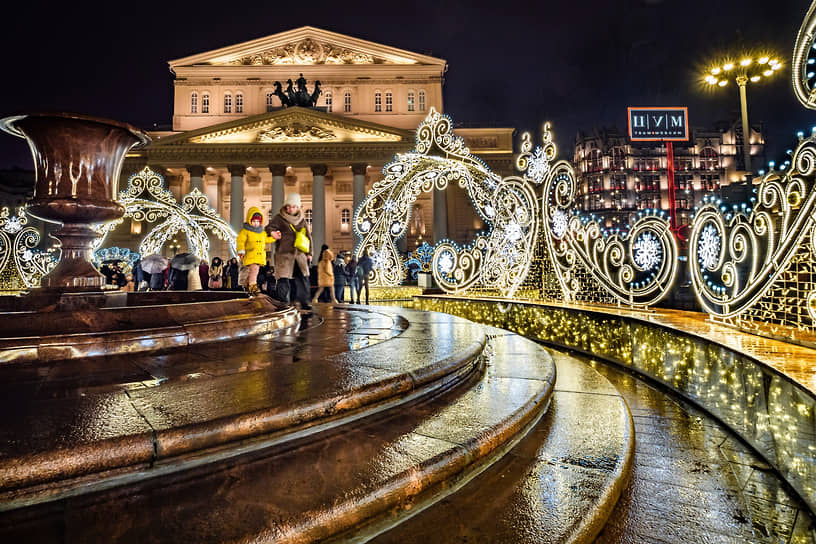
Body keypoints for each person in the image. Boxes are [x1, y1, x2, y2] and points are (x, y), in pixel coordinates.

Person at [267, 192, 313, 310]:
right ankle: (283, 302)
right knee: (283, 279)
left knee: (303, 279)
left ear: (298, 207)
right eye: (288, 206)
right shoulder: (279, 218)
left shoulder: (302, 220)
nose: (290, 209)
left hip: (299, 254)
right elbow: (269, 227)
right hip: (284, 254)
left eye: (293, 206)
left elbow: (308, 236)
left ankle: (304, 302)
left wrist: (309, 254)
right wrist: (272, 232)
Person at [236, 206, 281, 296]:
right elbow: (240, 241)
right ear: (250, 220)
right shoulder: (245, 231)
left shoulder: (262, 232)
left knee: (254, 271)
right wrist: (241, 251)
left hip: (259, 256)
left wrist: (274, 237)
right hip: (250, 254)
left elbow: (266, 240)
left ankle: (246, 283)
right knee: (254, 270)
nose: (256, 223)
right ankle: (252, 285)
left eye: (258, 221)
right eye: (254, 221)